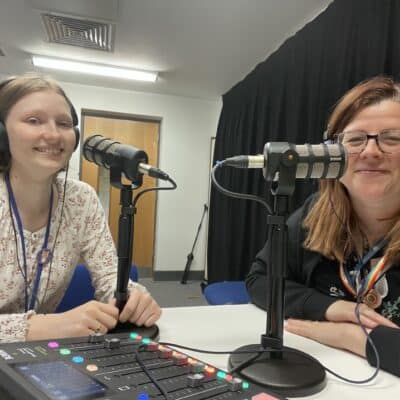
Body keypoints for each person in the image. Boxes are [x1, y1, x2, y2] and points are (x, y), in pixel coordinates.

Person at [246, 76, 400, 376]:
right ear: (332, 153)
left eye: (392, 138)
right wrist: (329, 309)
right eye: (355, 140)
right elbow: (259, 280)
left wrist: (355, 338)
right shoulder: (316, 212)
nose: (370, 152)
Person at [0, 73, 161, 343]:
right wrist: (36, 328)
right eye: (34, 120)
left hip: (36, 359)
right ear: (2, 134)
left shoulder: (81, 199)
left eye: (63, 123)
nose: (52, 134)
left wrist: (131, 296)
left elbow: (109, 274)